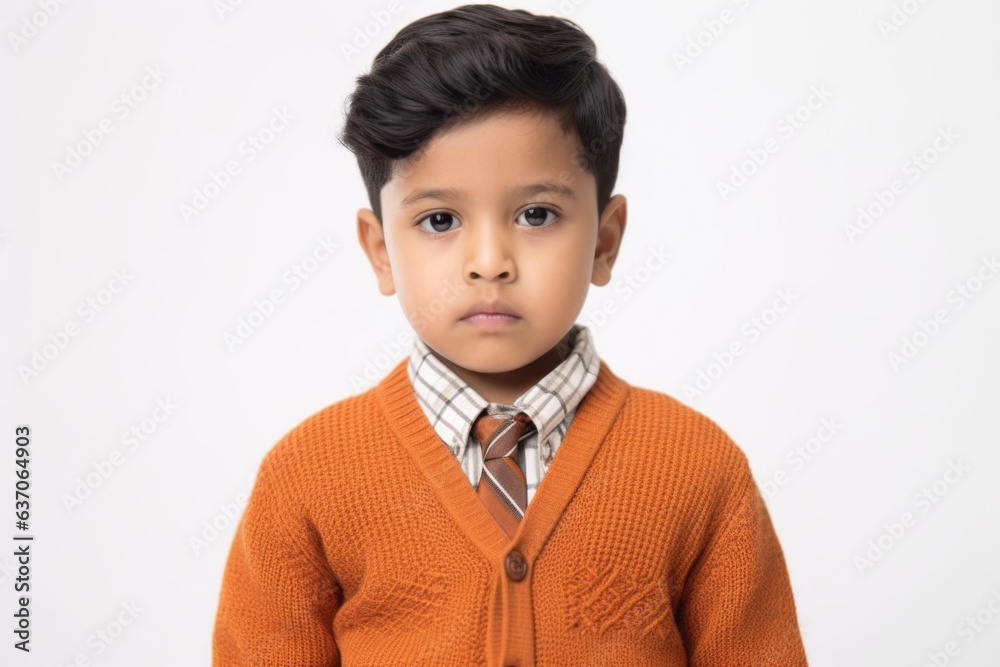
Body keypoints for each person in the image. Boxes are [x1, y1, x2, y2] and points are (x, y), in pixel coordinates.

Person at [212, 4, 809, 665]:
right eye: (440, 220)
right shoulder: (307, 476)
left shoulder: (698, 467)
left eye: (536, 213)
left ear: (605, 242)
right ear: (380, 251)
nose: (489, 260)